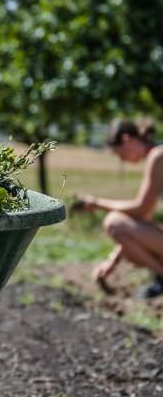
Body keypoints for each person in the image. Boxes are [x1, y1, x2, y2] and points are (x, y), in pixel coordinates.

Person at [78, 119, 163, 298]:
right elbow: (140, 221)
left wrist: (97, 203)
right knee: (120, 225)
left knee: (114, 221)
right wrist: (112, 262)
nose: (121, 159)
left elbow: (140, 208)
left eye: (119, 154)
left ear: (127, 140)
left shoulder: (158, 156)